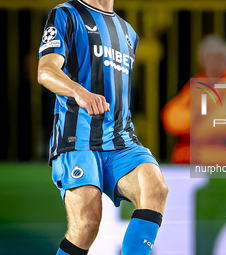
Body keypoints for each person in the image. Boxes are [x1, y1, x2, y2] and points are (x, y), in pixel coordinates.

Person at [37, 0, 168, 254]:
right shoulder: (65, 14)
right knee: (87, 223)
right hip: (78, 138)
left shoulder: (129, 33)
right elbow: (45, 71)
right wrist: (79, 92)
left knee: (155, 187)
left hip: (121, 140)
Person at [161, 35, 226, 165]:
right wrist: (197, 114)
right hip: (195, 160)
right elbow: (170, 118)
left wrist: (193, 120)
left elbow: (211, 128)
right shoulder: (202, 80)